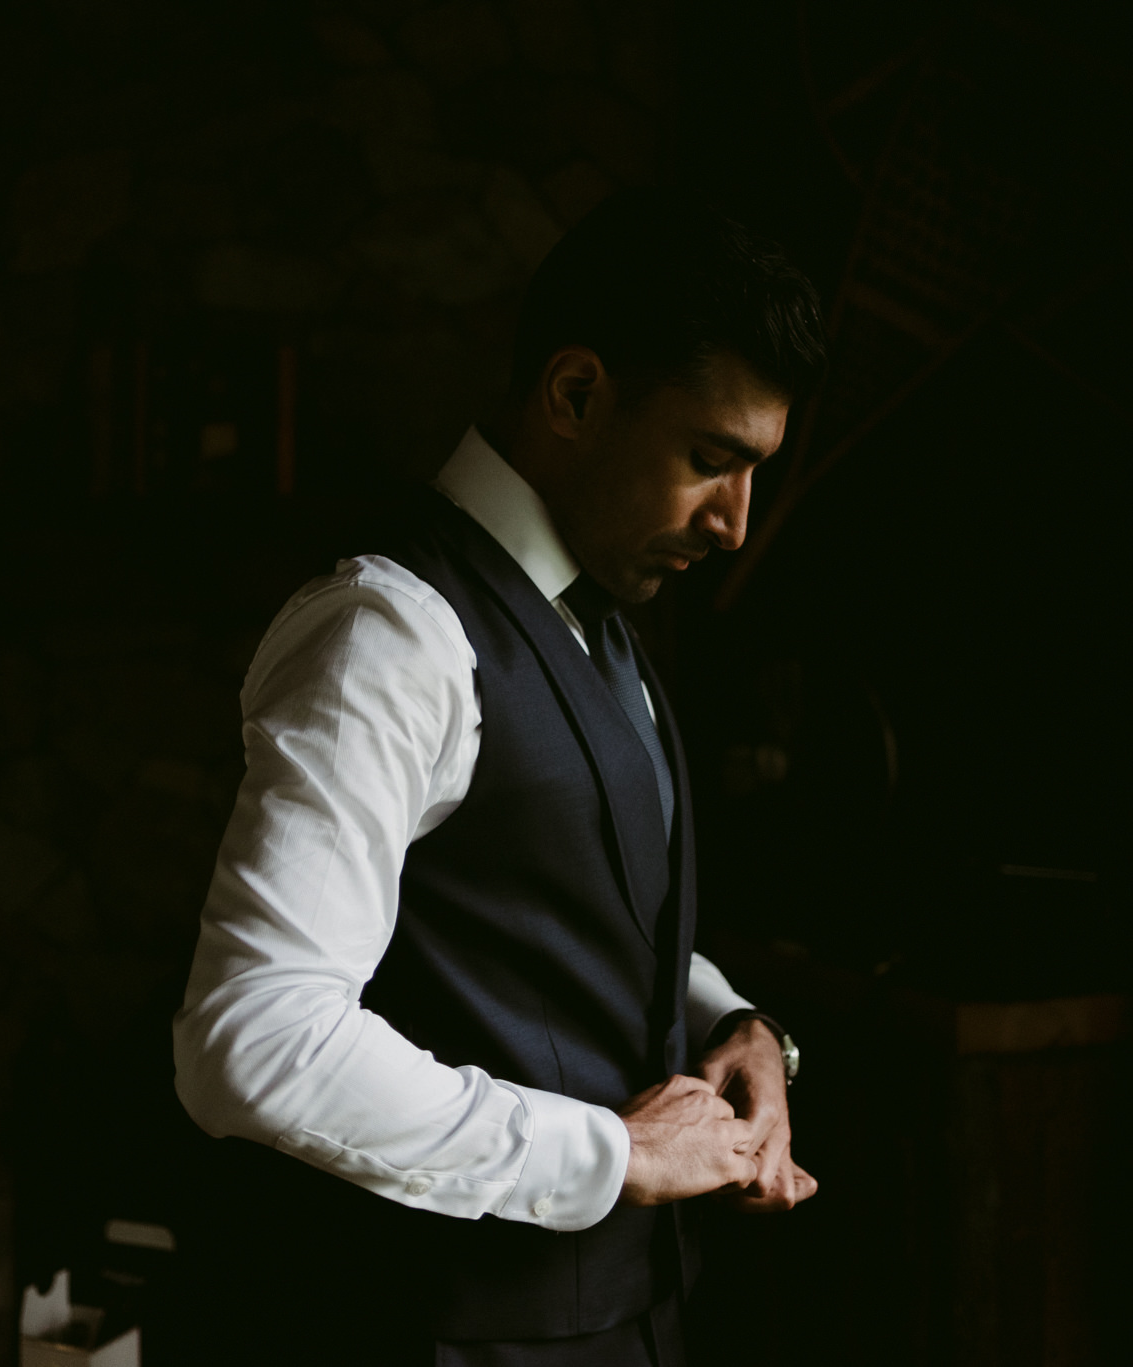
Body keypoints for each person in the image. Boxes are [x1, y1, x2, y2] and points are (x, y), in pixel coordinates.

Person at [172, 189, 827, 1367]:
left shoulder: (598, 615)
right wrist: (610, 1156)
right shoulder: (388, 632)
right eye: (708, 459)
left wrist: (729, 1019)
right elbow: (254, 1035)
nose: (734, 523)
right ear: (575, 395)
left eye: (754, 472)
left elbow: (557, 914)